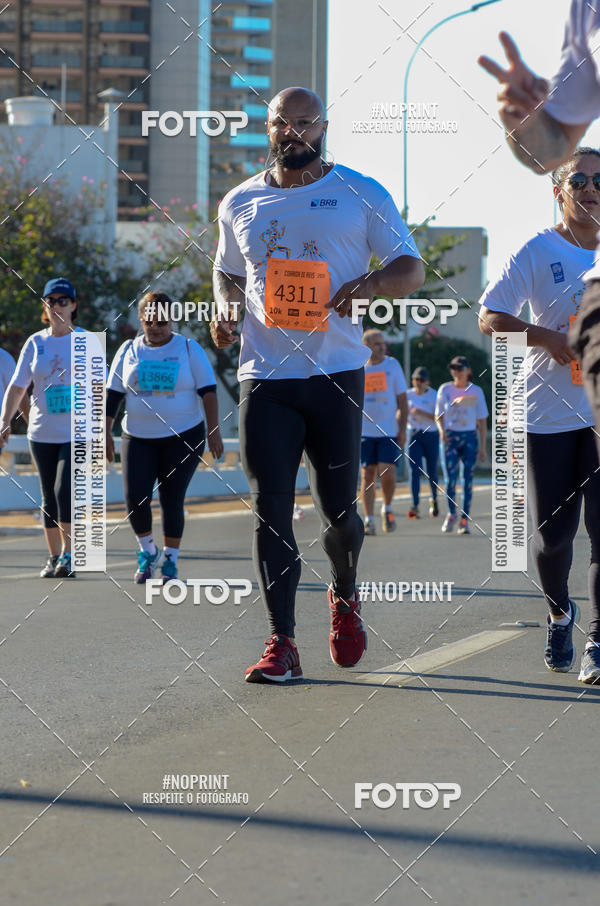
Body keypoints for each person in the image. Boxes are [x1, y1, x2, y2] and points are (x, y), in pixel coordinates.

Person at [211, 86, 425, 683]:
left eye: (306, 123)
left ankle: (345, 592)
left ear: (323, 127)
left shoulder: (361, 191)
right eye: (285, 123)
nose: (295, 132)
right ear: (270, 128)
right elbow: (226, 270)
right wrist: (224, 308)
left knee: (338, 515)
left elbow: (410, 267)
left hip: (335, 373)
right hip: (266, 375)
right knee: (270, 508)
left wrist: (369, 287)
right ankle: (282, 641)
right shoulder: (240, 201)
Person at [479, 148, 600, 684]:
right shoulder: (537, 249)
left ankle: (598, 639)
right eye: (579, 180)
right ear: (559, 191)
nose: (592, 188)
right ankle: (560, 612)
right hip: (546, 411)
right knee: (554, 537)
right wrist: (547, 337)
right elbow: (489, 316)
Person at [106, 293, 223, 584]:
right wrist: (104, 433)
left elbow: (208, 391)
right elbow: (112, 397)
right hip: (138, 437)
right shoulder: (128, 350)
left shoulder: (188, 348)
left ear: (172, 319)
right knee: (136, 498)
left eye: (162, 321)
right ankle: (148, 551)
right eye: (150, 321)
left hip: (182, 436)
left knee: (172, 498)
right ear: (141, 320)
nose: (156, 327)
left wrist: (214, 431)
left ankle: (170, 560)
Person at [0, 278, 81, 578]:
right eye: (51, 300)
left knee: (64, 491)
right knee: (48, 495)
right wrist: (5, 421)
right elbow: (17, 386)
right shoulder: (35, 343)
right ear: (44, 307)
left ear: (74, 305)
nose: (57, 305)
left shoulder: (86, 341)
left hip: (76, 432)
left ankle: (70, 556)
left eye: (63, 300)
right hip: (41, 431)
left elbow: (100, 388)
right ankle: (54, 556)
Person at [360, 329, 407, 535]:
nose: (382, 346)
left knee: (387, 472)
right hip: (364, 432)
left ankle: (387, 507)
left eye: (382, 343)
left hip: (388, 430)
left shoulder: (392, 365)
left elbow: (403, 401)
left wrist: (403, 428)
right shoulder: (358, 367)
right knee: (367, 474)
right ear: (366, 346)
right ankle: (369, 520)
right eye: (377, 343)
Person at [435, 356, 488, 535]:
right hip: (450, 437)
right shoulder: (445, 389)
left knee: (467, 480)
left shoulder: (477, 391)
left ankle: (464, 518)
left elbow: (482, 421)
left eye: (460, 367)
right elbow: (438, 415)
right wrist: (442, 432)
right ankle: (451, 513)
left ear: (468, 371)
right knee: (450, 480)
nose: (456, 371)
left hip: (469, 438)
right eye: (453, 367)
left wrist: (482, 448)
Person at [406, 366, 439, 519]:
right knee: (414, 470)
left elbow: (439, 418)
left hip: (430, 434)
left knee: (431, 471)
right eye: (416, 379)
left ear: (427, 382)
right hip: (414, 434)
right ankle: (415, 504)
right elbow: (400, 412)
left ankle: (434, 498)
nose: (418, 383)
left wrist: (421, 412)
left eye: (422, 380)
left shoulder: (434, 395)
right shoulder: (408, 395)